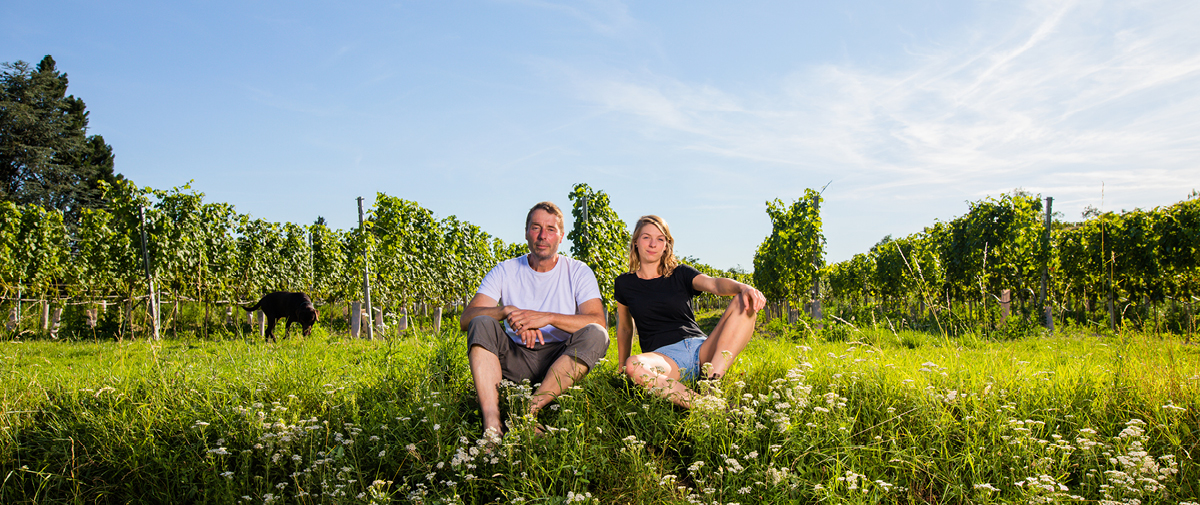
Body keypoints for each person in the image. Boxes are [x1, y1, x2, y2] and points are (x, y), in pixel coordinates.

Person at [460, 202, 609, 439]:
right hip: (514, 358)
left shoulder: (578, 271)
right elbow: (466, 319)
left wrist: (546, 318)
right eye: (536, 227)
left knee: (596, 333)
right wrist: (507, 311)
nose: (542, 236)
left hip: (560, 359)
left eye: (550, 229)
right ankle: (492, 423)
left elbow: (598, 321)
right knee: (481, 321)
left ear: (561, 236)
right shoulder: (504, 270)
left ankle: (528, 411)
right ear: (526, 231)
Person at [615, 215, 765, 408]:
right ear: (636, 241)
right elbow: (626, 329)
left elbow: (715, 285)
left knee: (744, 300)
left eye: (660, 239)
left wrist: (743, 287)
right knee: (633, 365)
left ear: (666, 245)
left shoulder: (680, 273)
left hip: (702, 349)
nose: (653, 244)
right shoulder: (624, 283)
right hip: (665, 358)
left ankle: (712, 384)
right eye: (646, 237)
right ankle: (704, 405)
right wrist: (621, 368)